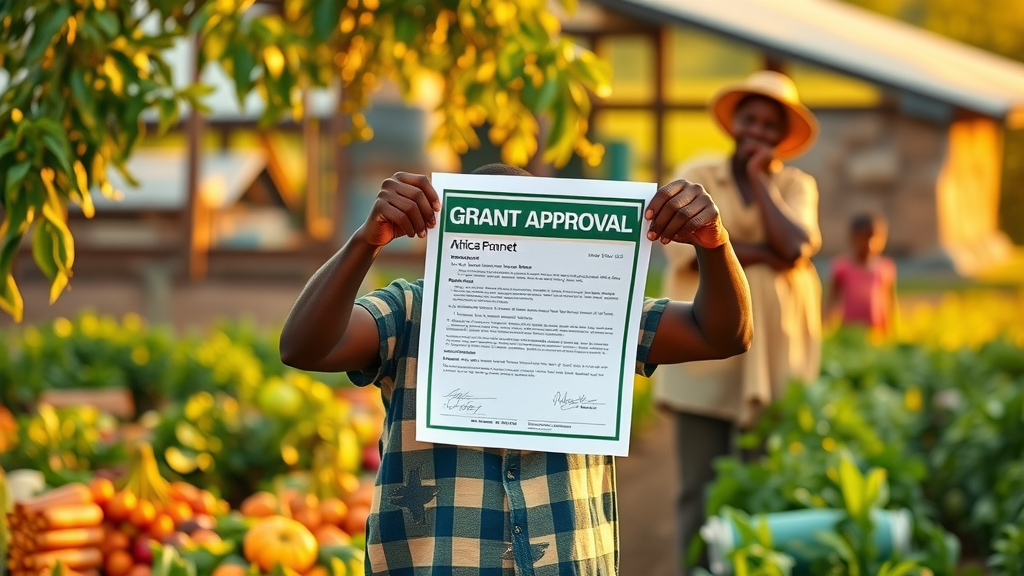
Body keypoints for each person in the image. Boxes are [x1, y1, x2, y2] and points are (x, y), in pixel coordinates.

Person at [279, 162, 754, 576]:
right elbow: (304, 347)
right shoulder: (410, 310)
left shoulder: (598, 307)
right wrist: (366, 240)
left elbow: (722, 335)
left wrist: (714, 243)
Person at [653, 71, 824, 575]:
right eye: (751, 119)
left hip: (776, 353)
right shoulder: (698, 172)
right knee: (699, 485)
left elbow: (795, 246)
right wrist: (755, 252)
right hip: (704, 351)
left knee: (763, 481)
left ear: (783, 137)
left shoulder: (796, 185)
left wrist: (758, 181)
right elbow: (685, 245)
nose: (759, 131)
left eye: (772, 125)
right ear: (734, 123)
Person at [826, 212, 897, 337]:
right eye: (863, 237)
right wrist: (827, 325)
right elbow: (831, 301)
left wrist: (891, 331)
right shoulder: (842, 268)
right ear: (852, 238)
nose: (869, 243)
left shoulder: (885, 268)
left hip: (877, 332)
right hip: (849, 331)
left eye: (874, 237)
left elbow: (890, 301)